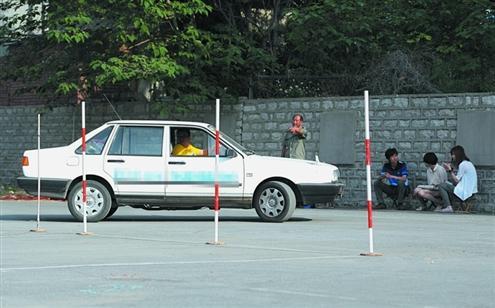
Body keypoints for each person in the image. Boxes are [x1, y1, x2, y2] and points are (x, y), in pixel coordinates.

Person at [436, 145, 478, 213]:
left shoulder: (463, 164)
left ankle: (448, 207)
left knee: (441, 185)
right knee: (447, 185)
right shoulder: (468, 163)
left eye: (453, 154)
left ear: (457, 154)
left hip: (466, 192)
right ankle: (447, 205)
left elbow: (456, 181)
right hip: (471, 191)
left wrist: (450, 171)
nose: (452, 157)